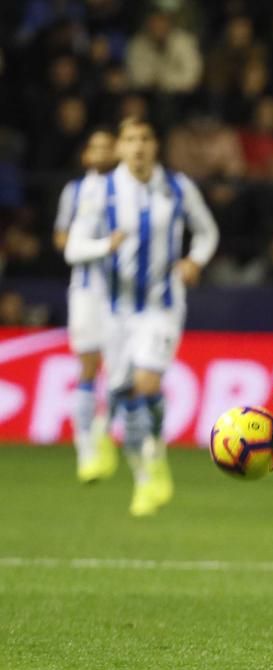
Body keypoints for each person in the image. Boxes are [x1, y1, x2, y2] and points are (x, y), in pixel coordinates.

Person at [65, 117, 219, 517]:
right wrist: (104, 245)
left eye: (145, 138)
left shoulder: (177, 187)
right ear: (118, 147)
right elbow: (73, 249)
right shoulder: (100, 191)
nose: (138, 146)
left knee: (144, 383)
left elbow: (207, 232)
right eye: (130, 139)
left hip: (162, 307)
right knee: (122, 392)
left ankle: (150, 462)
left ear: (156, 146)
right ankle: (145, 472)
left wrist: (194, 260)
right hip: (114, 312)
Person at [52, 128, 118, 483]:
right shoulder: (75, 191)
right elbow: (62, 235)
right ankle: (85, 448)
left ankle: (101, 431)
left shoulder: (128, 191)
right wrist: (93, 243)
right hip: (86, 290)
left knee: (121, 369)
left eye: (108, 146)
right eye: (95, 146)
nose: (101, 152)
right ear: (86, 155)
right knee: (90, 364)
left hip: (123, 292)